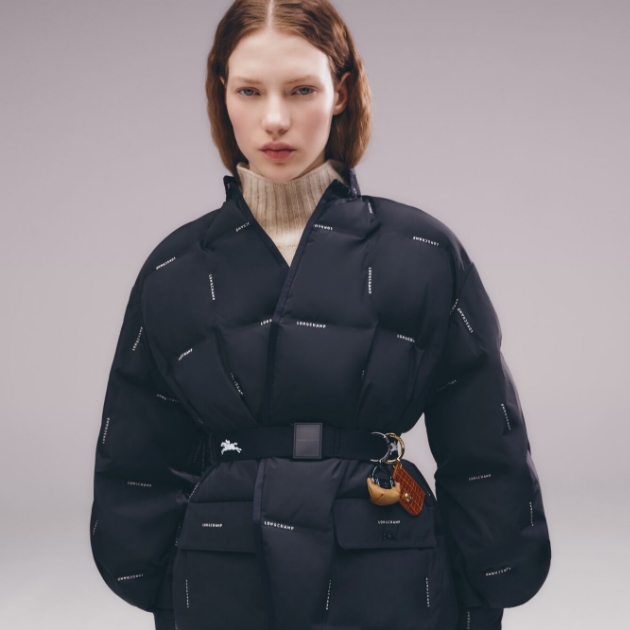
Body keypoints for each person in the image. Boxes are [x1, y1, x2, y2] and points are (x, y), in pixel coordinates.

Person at [89, 1, 551, 629]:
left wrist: (489, 580)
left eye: (301, 89)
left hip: (386, 556)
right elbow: (138, 454)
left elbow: (483, 442)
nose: (274, 119)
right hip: (225, 567)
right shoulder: (175, 268)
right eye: (250, 90)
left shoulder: (421, 251)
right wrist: (164, 580)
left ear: (341, 91)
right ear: (222, 93)